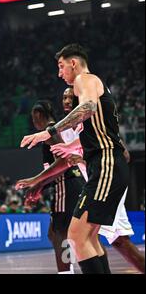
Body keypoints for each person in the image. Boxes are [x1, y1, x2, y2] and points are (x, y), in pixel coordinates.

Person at [20, 44, 129, 274]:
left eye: (61, 66)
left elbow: (88, 107)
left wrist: (47, 132)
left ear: (73, 63)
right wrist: (69, 147)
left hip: (106, 162)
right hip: (103, 165)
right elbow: (93, 127)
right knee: (89, 238)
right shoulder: (92, 84)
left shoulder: (84, 80)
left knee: (77, 237)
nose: (60, 73)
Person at [50, 88, 145, 274]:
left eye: (72, 97)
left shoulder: (93, 123)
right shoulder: (67, 129)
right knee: (91, 238)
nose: (67, 101)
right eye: (64, 97)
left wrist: (84, 157)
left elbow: (123, 155)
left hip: (108, 181)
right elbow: (64, 163)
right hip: (95, 184)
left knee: (117, 240)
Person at [15, 100, 86, 274]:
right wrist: (39, 185)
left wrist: (35, 180)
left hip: (66, 184)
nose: (33, 122)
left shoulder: (50, 132)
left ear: (38, 115)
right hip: (73, 182)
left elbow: (64, 162)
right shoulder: (55, 129)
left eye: (33, 118)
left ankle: (66, 272)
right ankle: (77, 268)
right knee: (58, 234)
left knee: (58, 233)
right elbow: (55, 167)